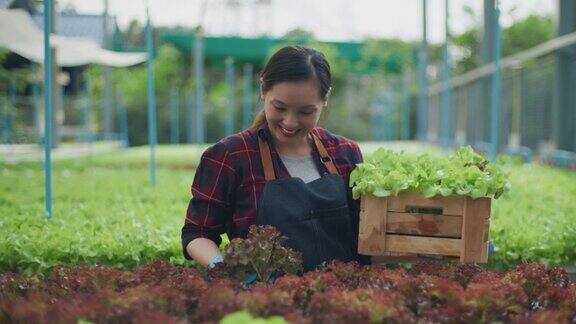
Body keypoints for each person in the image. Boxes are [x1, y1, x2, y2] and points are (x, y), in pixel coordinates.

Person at [181, 45, 368, 272]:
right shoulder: (230, 156)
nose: (290, 122)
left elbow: (365, 234)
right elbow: (197, 233)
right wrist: (220, 266)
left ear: (325, 99)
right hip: (266, 301)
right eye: (279, 107)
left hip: (340, 299)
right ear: (263, 90)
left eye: (305, 112)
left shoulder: (345, 153)